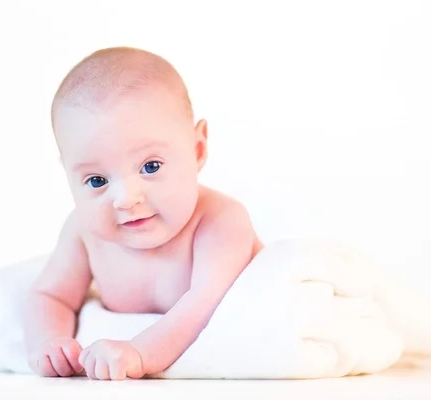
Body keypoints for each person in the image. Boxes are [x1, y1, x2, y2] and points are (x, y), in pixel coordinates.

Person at [22, 46, 263, 380]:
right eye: (97, 180)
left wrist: (139, 353)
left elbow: (207, 304)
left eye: (151, 166)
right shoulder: (84, 231)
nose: (124, 199)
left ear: (197, 150)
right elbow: (50, 295)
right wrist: (49, 344)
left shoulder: (221, 221)